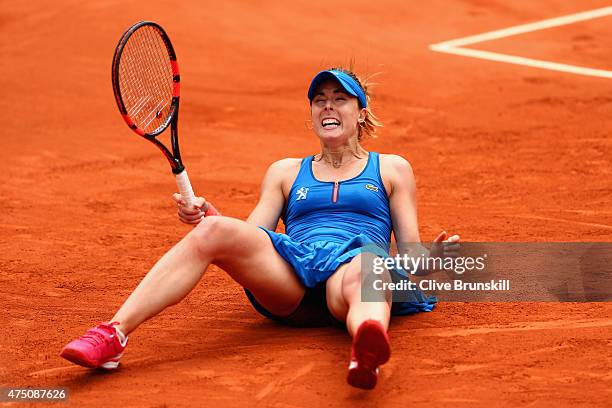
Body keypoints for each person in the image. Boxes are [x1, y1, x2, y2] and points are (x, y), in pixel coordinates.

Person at [60, 67, 460, 390]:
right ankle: (112, 335)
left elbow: (410, 253)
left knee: (368, 268)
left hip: (352, 273)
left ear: (361, 113)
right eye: (319, 100)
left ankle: (365, 348)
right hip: (292, 281)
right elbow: (255, 235)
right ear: (311, 114)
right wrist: (212, 220)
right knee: (212, 234)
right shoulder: (286, 172)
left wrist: (426, 267)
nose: (328, 107)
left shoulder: (392, 168)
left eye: (340, 99)